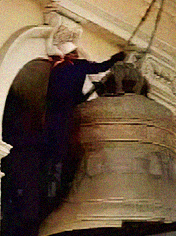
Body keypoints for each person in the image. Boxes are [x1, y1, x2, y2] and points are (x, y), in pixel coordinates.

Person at [42, 42, 125, 212]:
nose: (77, 54)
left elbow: (55, 96)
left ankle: (52, 189)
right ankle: (60, 190)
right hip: (68, 115)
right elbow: (100, 68)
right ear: (72, 54)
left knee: (55, 154)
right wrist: (115, 59)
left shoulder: (56, 70)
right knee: (65, 152)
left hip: (55, 117)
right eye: (75, 52)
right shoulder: (77, 66)